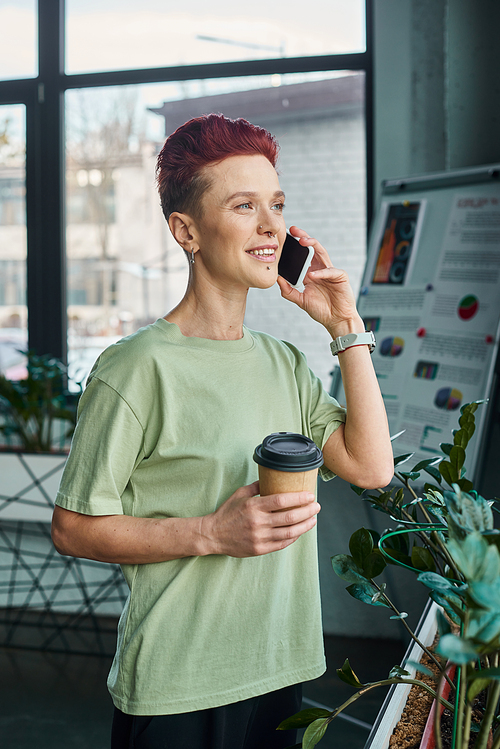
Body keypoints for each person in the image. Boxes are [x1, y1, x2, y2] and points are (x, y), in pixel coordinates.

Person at [51, 114, 393, 749]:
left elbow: (373, 469)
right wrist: (210, 532)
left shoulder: (284, 363)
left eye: (277, 205)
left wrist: (345, 325)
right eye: (244, 206)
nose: (271, 226)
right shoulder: (135, 368)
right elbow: (72, 527)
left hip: (282, 668)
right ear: (186, 231)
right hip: (180, 683)